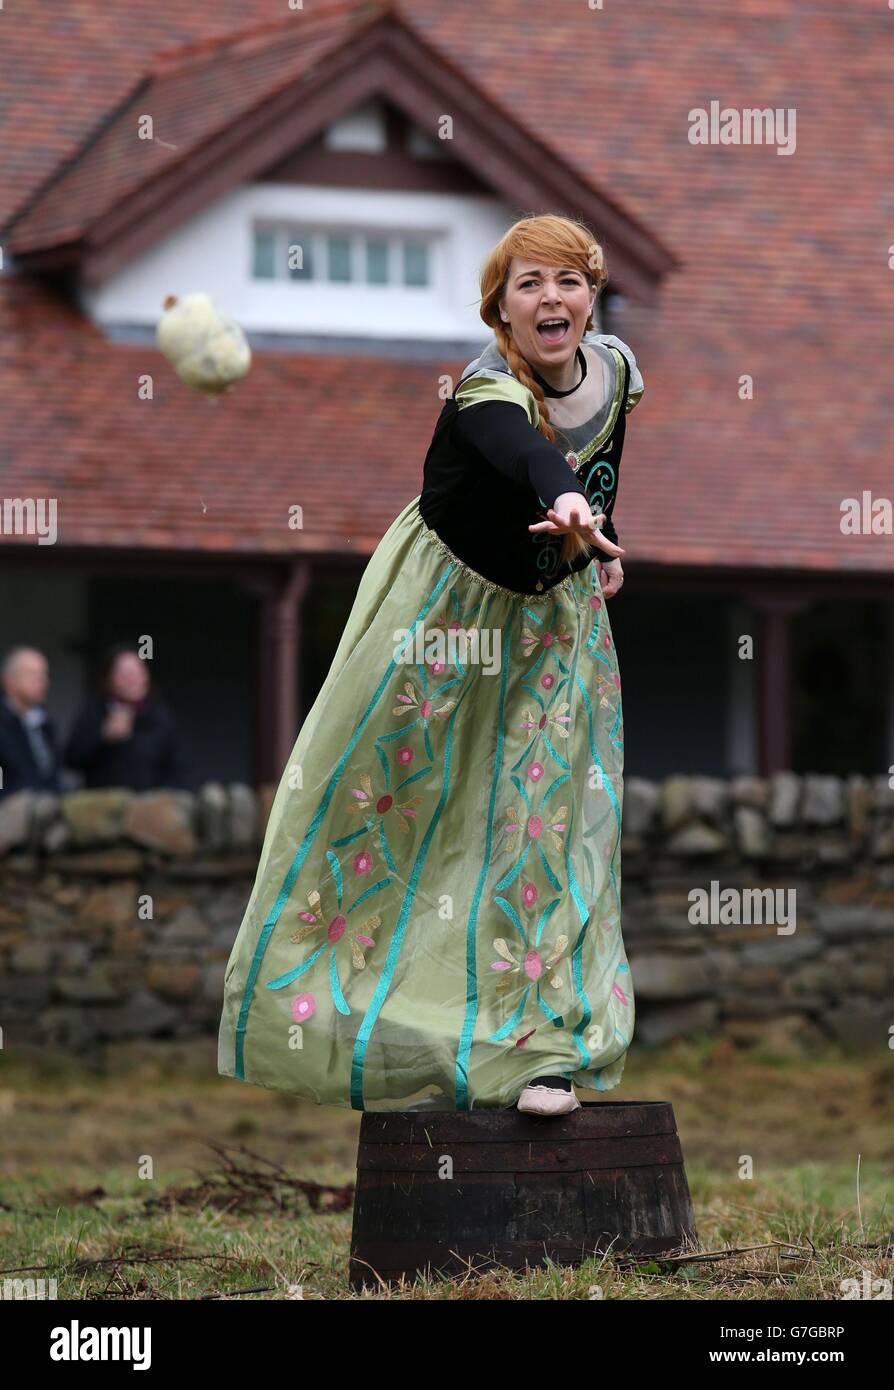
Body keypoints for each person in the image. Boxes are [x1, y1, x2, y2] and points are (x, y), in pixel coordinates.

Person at [219, 213, 644, 1116]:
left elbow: (600, 460)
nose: (549, 298)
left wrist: (601, 542)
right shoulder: (486, 391)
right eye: (527, 285)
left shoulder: (614, 370)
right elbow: (529, 455)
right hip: (445, 620)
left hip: (551, 629)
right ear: (501, 311)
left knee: (542, 826)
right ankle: (338, 1008)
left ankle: (537, 1053)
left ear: (591, 294)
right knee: (393, 803)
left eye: (566, 281)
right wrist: (564, 494)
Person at [65, 644, 190, 792]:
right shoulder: (96, 711)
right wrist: (103, 738)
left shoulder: (159, 716)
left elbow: (178, 767)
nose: (133, 679)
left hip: (150, 806)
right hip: (105, 806)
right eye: (124, 674)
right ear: (109, 678)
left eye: (138, 672)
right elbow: (71, 759)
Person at [0, 646, 63, 798]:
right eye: (32, 674)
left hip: (45, 812)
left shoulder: (44, 723)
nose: (42, 681)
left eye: (44, 674)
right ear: (9, 681)